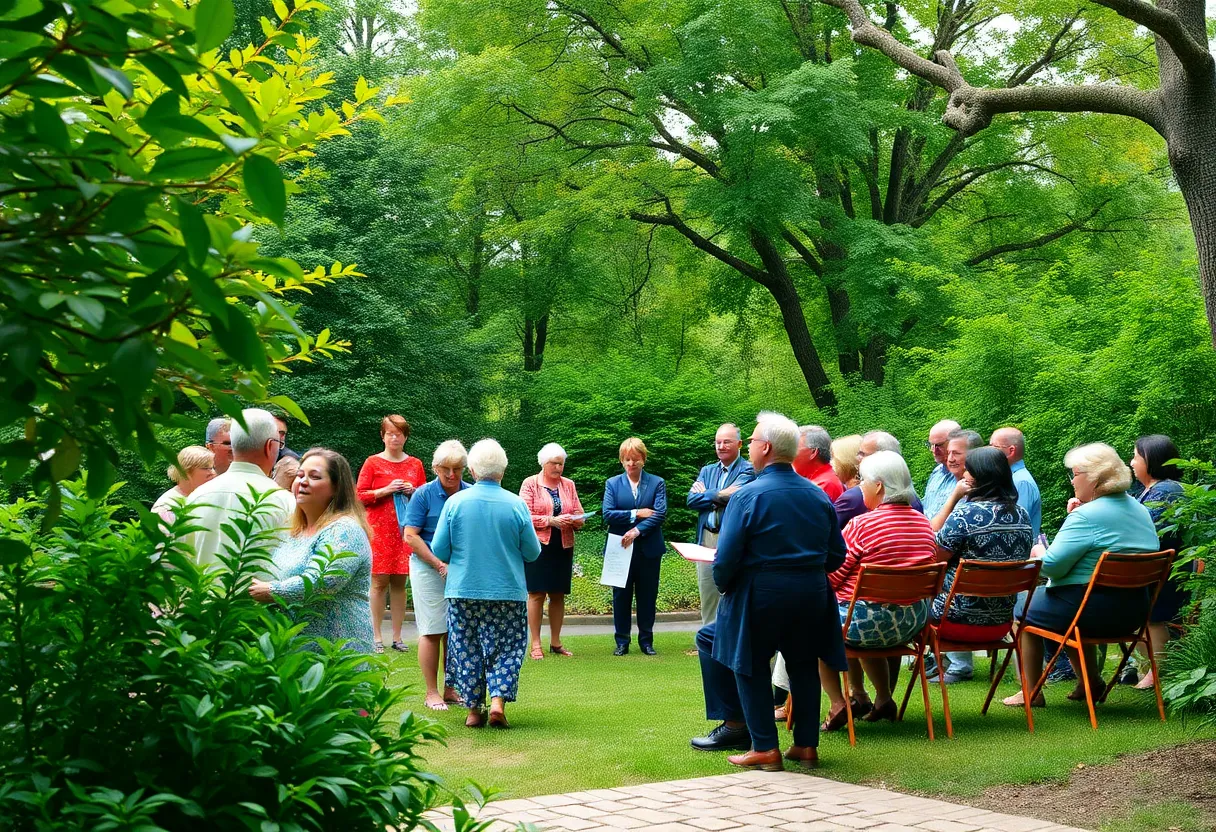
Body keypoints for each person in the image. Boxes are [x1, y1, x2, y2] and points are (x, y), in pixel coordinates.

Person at [690, 412, 846, 771]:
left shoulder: (747, 497)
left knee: (748, 663)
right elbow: (837, 554)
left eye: (753, 440)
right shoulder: (817, 494)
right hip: (810, 593)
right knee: (804, 666)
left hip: (759, 593)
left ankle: (764, 746)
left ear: (766, 447)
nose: (750, 446)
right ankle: (806, 746)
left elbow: (725, 560)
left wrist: (728, 587)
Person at [1003, 443, 1161, 708]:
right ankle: (1090, 682)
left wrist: (1040, 550)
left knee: (1022, 605)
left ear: (1095, 477)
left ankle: (1031, 691)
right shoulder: (1139, 510)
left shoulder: (1086, 517)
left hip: (1089, 611)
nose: (1072, 481)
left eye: (1074, 474)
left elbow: (1052, 567)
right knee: (1068, 607)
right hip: (1135, 611)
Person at [821, 451, 939, 729]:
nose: (859, 486)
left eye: (862, 480)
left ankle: (839, 703)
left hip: (863, 625)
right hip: (910, 624)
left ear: (879, 486)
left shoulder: (861, 525)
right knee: (864, 614)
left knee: (818, 627)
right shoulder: (924, 524)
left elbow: (834, 577)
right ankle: (883, 699)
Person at [431, 439, 541, 729]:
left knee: (466, 648)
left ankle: (473, 710)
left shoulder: (455, 503)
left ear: (473, 471)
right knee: (508, 646)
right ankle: (497, 702)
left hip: (463, 590)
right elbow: (532, 552)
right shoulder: (516, 504)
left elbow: (440, 550)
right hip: (507, 591)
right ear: (503, 471)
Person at [248, 448, 376, 654]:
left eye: (314, 477)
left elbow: (324, 580)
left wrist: (272, 591)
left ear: (336, 487)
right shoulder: (294, 532)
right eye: (300, 475)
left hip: (337, 653)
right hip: (298, 650)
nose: (303, 482)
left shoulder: (344, 530)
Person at [928, 446, 1034, 683]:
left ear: (979, 477)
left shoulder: (964, 515)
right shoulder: (1023, 516)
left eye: (968, 470)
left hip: (952, 621)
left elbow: (934, 558)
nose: (964, 475)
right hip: (1001, 622)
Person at [404, 440, 471, 710]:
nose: (452, 475)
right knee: (433, 629)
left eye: (457, 469)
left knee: (455, 632)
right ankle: (431, 692)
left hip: (459, 569)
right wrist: (438, 564)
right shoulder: (423, 495)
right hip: (427, 566)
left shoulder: (470, 493)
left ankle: (451, 688)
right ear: (435, 468)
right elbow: (410, 536)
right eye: (446, 469)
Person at [184, 409, 295, 572]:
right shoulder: (285, 502)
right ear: (269, 446)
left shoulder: (196, 497)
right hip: (256, 598)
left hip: (201, 597)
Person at [357, 415, 427, 654]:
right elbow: (360, 495)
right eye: (390, 433)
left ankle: (397, 637)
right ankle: (376, 636)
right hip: (378, 530)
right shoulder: (372, 462)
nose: (394, 437)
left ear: (406, 436)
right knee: (378, 582)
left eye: (399, 433)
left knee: (400, 582)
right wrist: (385, 490)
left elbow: (424, 497)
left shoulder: (415, 464)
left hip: (404, 531)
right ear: (382, 436)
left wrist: (412, 490)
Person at [519, 443, 587, 659]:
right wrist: (550, 520)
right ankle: (536, 643)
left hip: (563, 544)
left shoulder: (569, 485)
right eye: (554, 463)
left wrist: (576, 520)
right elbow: (523, 515)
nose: (559, 468)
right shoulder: (530, 484)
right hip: (538, 545)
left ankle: (556, 642)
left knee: (558, 594)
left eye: (561, 463)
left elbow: (579, 512)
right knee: (537, 593)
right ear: (543, 463)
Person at [1130, 434, 1186, 691]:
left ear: (1151, 460)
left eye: (1136, 456)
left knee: (1153, 618)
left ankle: (1159, 673)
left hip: (1163, 572)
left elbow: (1151, 535)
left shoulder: (1165, 491)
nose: (1131, 462)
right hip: (1160, 570)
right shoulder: (1154, 490)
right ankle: (1150, 669)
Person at [603, 437, 668, 655]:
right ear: (622, 460)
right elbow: (608, 514)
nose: (632, 464)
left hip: (648, 549)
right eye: (627, 459)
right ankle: (622, 641)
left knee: (647, 595)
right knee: (620, 596)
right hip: (620, 549)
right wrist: (636, 513)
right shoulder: (613, 484)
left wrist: (636, 530)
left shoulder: (657, 482)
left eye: (636, 459)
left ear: (644, 459)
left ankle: (646, 640)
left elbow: (660, 514)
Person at [687, 424, 755, 625]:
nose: (721, 446)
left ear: (740, 444)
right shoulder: (707, 470)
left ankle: (733, 641)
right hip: (706, 538)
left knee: (734, 590)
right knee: (708, 591)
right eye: (718, 442)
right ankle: (709, 642)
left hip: (732, 538)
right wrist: (722, 494)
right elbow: (691, 500)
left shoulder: (749, 470)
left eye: (727, 442)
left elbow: (739, 496)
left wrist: (706, 493)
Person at [833, 431, 924, 528]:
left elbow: (827, 534)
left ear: (882, 457)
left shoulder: (853, 498)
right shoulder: (914, 499)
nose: (857, 458)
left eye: (862, 454)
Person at [990, 427, 1042, 539]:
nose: (989, 452)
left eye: (994, 447)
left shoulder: (1021, 482)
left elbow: (1015, 525)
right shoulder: (1010, 478)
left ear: (1011, 451)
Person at [928, 429, 985, 531]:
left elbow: (934, 529)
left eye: (956, 453)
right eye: (949, 453)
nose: (950, 459)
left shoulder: (980, 487)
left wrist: (955, 496)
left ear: (974, 455)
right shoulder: (939, 476)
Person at [152, 445, 216, 524]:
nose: (213, 473)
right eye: (206, 468)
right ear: (186, 472)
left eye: (213, 468)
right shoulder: (166, 508)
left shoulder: (208, 498)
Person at [921, 419, 961, 521]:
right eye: (931, 445)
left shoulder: (968, 475)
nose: (933, 450)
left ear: (956, 442)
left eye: (939, 445)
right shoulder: (936, 473)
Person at [793, 425, 844, 501]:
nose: (789, 453)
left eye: (794, 448)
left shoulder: (824, 485)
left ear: (813, 452)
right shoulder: (817, 479)